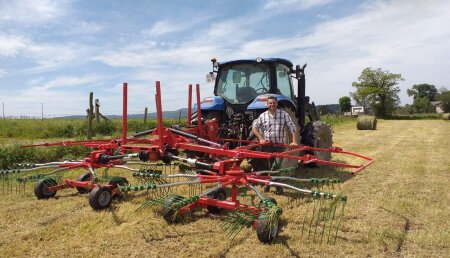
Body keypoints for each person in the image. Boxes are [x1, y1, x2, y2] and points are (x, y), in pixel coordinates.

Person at [251, 96, 298, 194]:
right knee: (269, 166)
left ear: (277, 104)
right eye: (270, 103)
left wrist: (294, 141)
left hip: (280, 145)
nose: (272, 104)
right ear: (267, 104)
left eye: (274, 103)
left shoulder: (284, 114)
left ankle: (269, 183)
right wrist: (260, 138)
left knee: (276, 166)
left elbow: (292, 127)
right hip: (267, 146)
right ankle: (276, 186)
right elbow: (254, 128)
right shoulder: (263, 116)